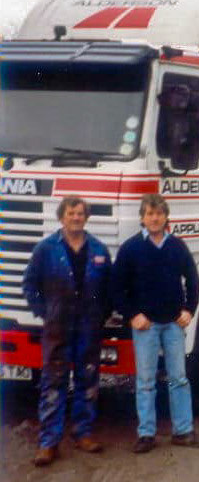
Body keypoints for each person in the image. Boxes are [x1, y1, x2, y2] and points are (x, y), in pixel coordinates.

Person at [112, 194, 199, 453]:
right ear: (142, 218)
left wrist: (189, 309)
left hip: (174, 325)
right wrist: (133, 314)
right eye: (149, 214)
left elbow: (193, 279)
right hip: (146, 326)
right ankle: (146, 435)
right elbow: (116, 288)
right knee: (145, 381)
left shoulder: (177, 246)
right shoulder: (131, 248)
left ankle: (183, 431)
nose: (154, 219)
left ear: (166, 218)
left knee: (178, 378)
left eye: (159, 214)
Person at [22, 196, 112, 467]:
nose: (76, 217)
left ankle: (83, 434)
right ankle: (49, 442)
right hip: (58, 328)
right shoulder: (46, 249)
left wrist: (100, 316)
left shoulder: (98, 249)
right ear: (61, 217)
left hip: (88, 328)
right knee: (53, 383)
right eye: (71, 213)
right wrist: (46, 313)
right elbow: (29, 285)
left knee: (88, 381)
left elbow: (110, 289)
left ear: (86, 217)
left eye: (80, 213)